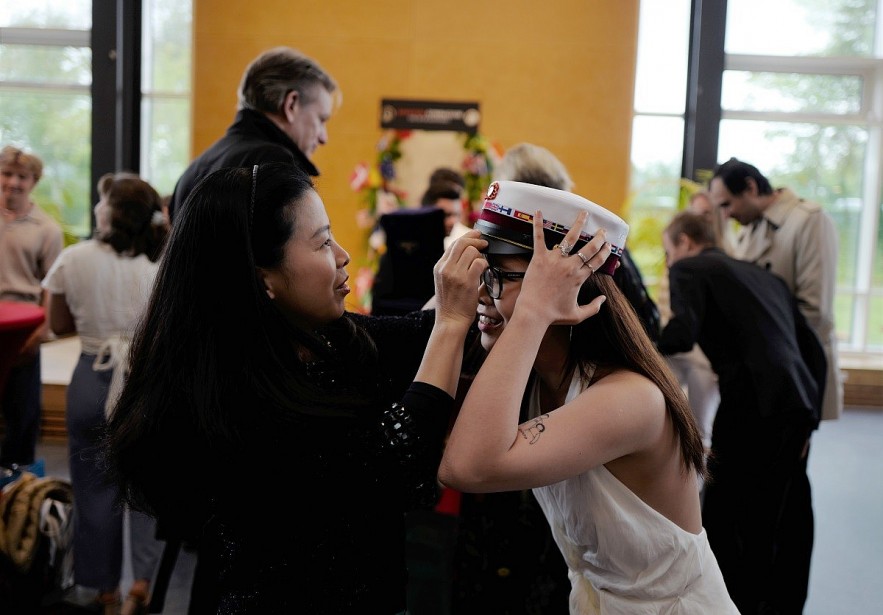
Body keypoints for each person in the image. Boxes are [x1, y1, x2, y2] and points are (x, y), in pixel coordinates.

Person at [102, 162, 487, 614]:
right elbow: (396, 462)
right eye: (323, 242)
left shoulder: (318, 339)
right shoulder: (233, 399)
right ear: (261, 275)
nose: (342, 255)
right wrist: (454, 322)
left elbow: (413, 333)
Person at [439, 180, 738, 614]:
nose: (482, 293)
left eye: (499, 274)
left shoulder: (630, 399)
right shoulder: (540, 378)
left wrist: (534, 312)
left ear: (570, 287)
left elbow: (466, 466)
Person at [657, 210, 825, 614]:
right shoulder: (764, 276)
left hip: (752, 401)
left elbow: (682, 333)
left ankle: (733, 603)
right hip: (798, 404)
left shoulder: (690, 268)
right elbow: (812, 349)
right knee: (777, 515)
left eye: (667, 254)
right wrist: (811, 419)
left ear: (683, 242)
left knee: (725, 510)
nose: (668, 265)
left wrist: (632, 341)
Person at [709, 156, 840, 611]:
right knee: (760, 491)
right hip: (758, 387)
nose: (726, 216)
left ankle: (785, 597)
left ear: (750, 186)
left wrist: (804, 407)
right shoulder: (752, 229)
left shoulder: (809, 221)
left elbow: (815, 315)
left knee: (788, 491)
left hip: (796, 381)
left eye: (728, 204)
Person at [41, 172, 168, 614]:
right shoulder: (160, 268)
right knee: (148, 487)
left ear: (112, 213)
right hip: (143, 383)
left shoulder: (74, 260)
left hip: (91, 379)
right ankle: (143, 587)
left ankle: (105, 589)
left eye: (102, 201)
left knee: (93, 486)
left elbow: (57, 325)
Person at [166, 46, 340, 222]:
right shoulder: (275, 165)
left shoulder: (192, 171)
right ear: (291, 105)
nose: (323, 138)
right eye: (321, 119)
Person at [0, 145, 63, 469]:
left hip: (23, 327)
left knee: (22, 414)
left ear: (33, 181)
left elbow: (50, 286)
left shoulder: (47, 229)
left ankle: (19, 487)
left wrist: (39, 332)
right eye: (7, 174)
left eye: (21, 177)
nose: (12, 182)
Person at [657, 190, 725, 452]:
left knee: (700, 428)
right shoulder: (686, 265)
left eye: (706, 214)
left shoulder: (689, 268)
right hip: (684, 347)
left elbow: (684, 329)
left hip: (703, 356)